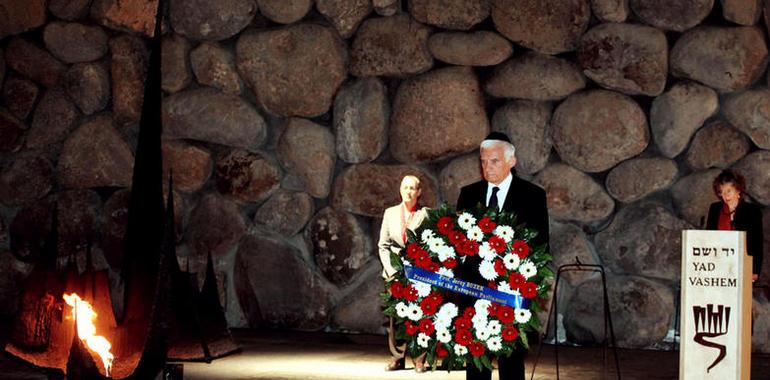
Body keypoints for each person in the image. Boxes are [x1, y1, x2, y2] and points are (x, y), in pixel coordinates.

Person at [456, 132, 549, 380]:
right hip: (473, 293)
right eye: (483, 162)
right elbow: (458, 243)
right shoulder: (468, 194)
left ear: (512, 161)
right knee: (476, 364)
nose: (488, 167)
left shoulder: (532, 195)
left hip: (511, 294)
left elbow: (541, 246)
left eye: (494, 161)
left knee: (511, 364)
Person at [378, 175, 429, 372]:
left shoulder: (425, 214)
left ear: (419, 192)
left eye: (412, 188)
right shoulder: (390, 213)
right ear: (400, 190)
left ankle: (419, 359)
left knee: (419, 315)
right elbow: (383, 246)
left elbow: (430, 246)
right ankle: (397, 358)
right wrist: (391, 271)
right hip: (394, 273)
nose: (408, 191)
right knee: (395, 317)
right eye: (405, 187)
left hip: (418, 274)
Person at [706, 169, 764, 282]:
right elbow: (709, 238)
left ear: (738, 190)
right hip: (718, 264)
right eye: (721, 191)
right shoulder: (715, 209)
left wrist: (755, 270)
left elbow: (757, 242)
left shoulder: (752, 211)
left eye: (729, 190)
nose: (725, 195)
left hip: (743, 263)